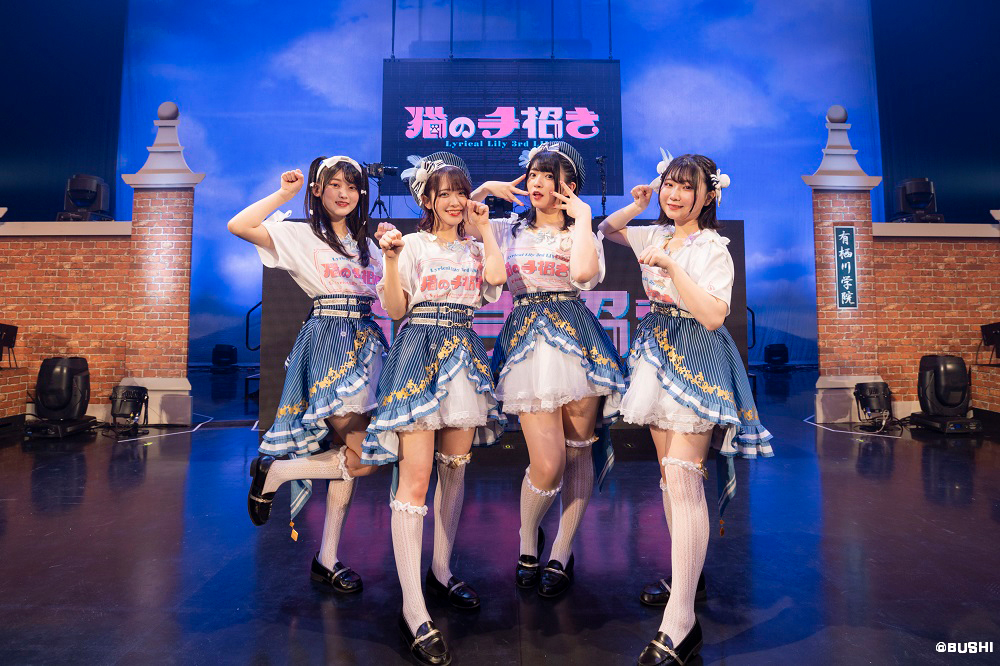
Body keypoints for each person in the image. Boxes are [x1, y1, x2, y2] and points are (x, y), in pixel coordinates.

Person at [598, 152, 773, 665]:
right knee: (669, 479)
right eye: (668, 184)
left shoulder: (712, 247)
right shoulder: (655, 233)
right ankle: (686, 581)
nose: (673, 195)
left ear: (708, 195)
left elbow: (714, 316)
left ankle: (681, 623)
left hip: (697, 356)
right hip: (657, 354)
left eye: (685, 187)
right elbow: (606, 229)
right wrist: (638, 205)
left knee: (683, 476)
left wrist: (673, 267)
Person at [363, 152, 506, 666]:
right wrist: (391, 259)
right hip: (418, 351)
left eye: (460, 192)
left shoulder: (476, 247)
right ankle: (413, 609)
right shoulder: (411, 244)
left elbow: (496, 285)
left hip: (463, 353)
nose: (454, 201)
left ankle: (441, 572)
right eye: (443, 193)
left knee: (455, 468)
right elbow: (396, 309)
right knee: (416, 479)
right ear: (425, 199)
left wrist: (485, 230)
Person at [472, 141, 628, 598]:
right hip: (527, 342)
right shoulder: (507, 228)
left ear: (568, 186)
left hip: (577, 340)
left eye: (547, 175)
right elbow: (455, 215)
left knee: (578, 454)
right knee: (547, 463)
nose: (536, 182)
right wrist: (484, 188)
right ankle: (527, 539)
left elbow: (583, 276)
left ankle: (561, 550)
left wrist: (584, 219)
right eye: (533, 174)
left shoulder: (582, 230)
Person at [231, 156, 390, 593]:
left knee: (349, 459)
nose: (344, 193)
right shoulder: (300, 234)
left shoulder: (367, 245)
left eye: (352, 186)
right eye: (335, 184)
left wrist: (394, 254)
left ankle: (327, 558)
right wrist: (284, 194)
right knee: (365, 455)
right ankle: (276, 473)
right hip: (327, 344)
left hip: (367, 345)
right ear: (317, 190)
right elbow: (239, 226)